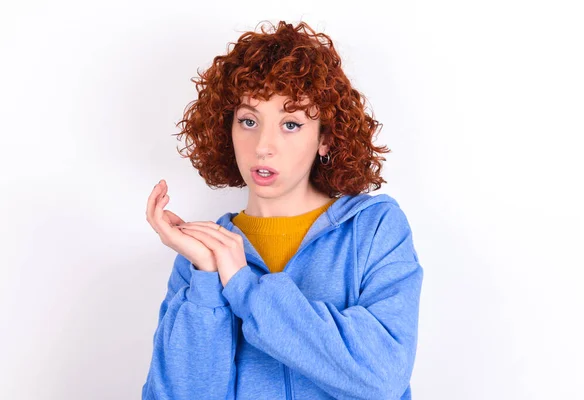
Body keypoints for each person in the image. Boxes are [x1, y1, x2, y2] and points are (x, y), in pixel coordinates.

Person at [142, 20, 423, 400]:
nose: (263, 146)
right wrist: (208, 282)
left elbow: (382, 376)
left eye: (290, 123)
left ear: (324, 138)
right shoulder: (204, 254)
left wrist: (244, 287)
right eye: (248, 121)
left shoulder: (373, 229)